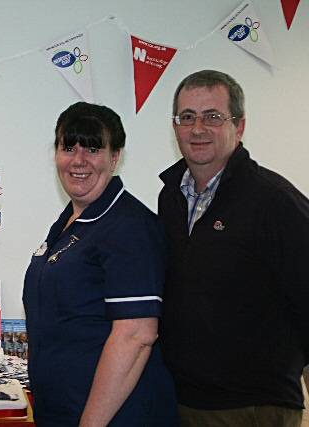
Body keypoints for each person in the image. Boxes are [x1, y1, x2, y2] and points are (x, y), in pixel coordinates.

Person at [159, 69, 309, 427]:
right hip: (185, 400)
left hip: (253, 406)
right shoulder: (170, 198)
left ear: (239, 127)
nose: (198, 129)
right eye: (187, 117)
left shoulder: (274, 201)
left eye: (213, 117)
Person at [23, 102, 178, 426]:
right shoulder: (71, 222)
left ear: (115, 156)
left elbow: (136, 335)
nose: (78, 160)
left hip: (114, 417)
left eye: (93, 148)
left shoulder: (129, 227)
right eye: (69, 147)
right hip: (65, 410)